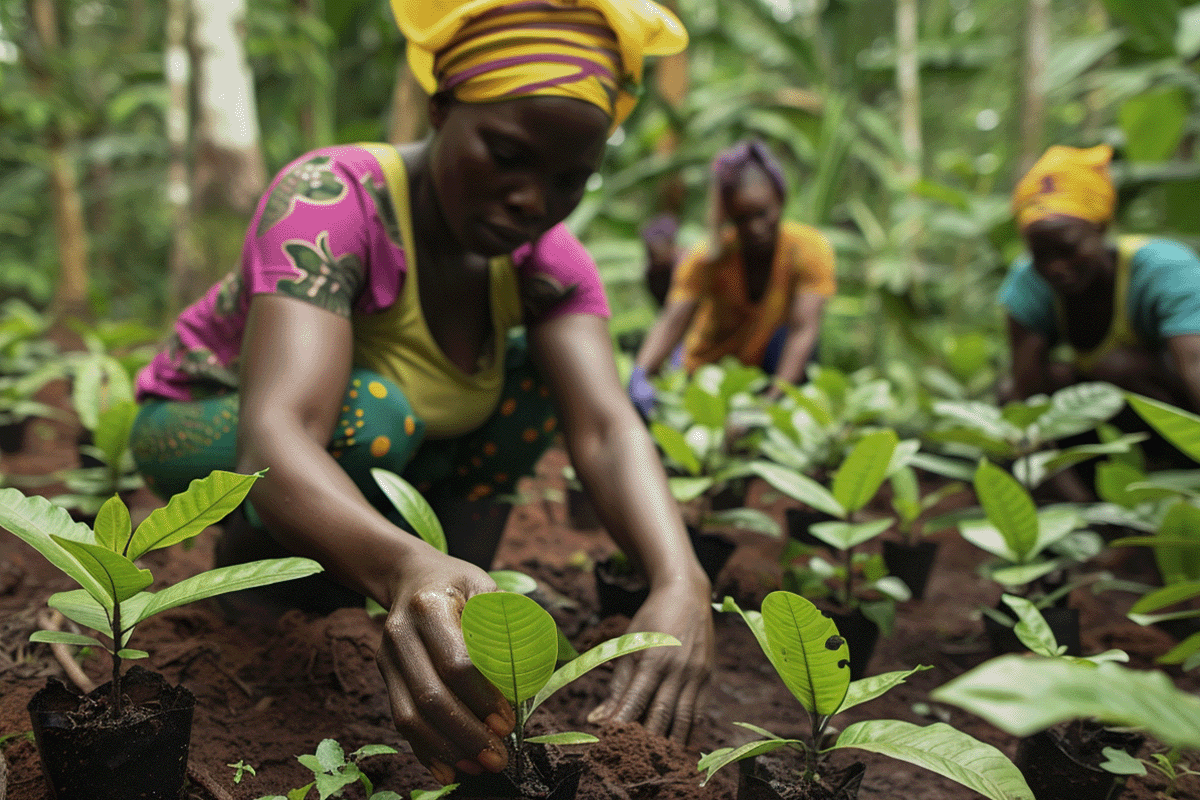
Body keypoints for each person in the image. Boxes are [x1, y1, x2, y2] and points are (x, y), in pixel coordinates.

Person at [129, 0, 713, 786]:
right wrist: (403, 565)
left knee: (541, 378)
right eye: (506, 154)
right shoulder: (331, 200)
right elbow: (278, 432)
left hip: (367, 444)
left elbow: (608, 428)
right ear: (441, 107)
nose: (532, 200)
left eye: (569, 179)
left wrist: (681, 580)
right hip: (205, 425)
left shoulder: (546, 264)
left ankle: (440, 599)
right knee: (372, 414)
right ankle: (266, 584)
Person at [1000, 144, 1200, 493]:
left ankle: (1173, 475)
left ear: (1102, 227)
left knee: (1117, 368)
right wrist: (1081, 510)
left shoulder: (1165, 269)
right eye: (1040, 254)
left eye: (1068, 248)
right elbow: (1027, 400)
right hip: (1104, 432)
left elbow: (1196, 368)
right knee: (1010, 395)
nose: (1055, 267)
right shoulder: (1027, 285)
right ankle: (1088, 497)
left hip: (1174, 417)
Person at [627, 139, 836, 416]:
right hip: (707, 373)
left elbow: (803, 330)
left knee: (799, 344)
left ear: (780, 200)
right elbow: (672, 320)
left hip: (765, 368)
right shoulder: (708, 258)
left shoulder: (808, 249)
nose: (756, 228)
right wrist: (641, 373)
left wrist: (770, 404)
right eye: (742, 218)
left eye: (763, 213)